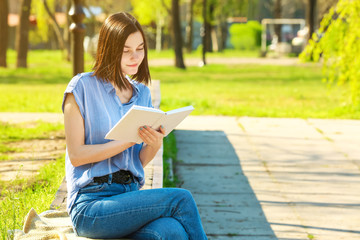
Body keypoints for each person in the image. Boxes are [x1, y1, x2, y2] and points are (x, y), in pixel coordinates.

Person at [62, 12, 208, 240]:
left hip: (129, 196)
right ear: (109, 49)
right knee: (181, 199)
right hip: (92, 205)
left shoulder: (142, 94)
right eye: (126, 50)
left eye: (140, 48)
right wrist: (126, 141)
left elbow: (137, 161)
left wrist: (154, 142)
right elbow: (77, 155)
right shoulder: (81, 87)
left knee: (171, 230)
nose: (135, 57)